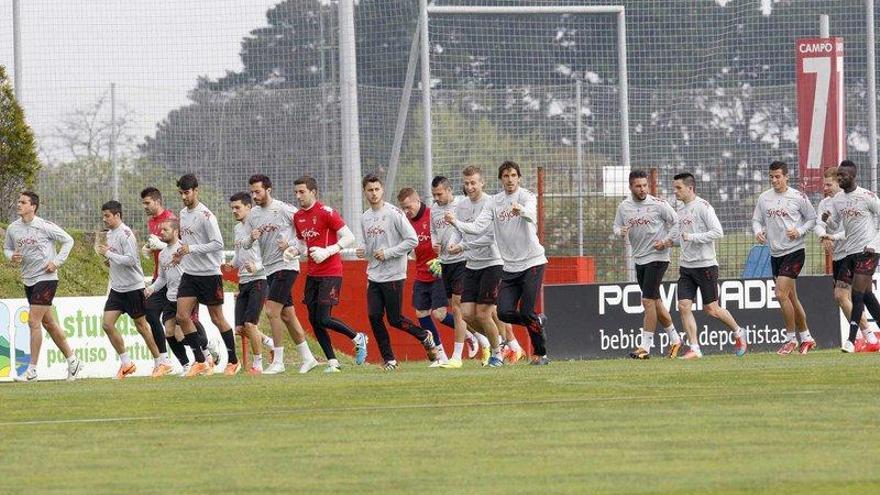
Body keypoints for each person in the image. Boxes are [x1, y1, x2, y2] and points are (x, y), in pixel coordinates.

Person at [445, 161, 550, 365]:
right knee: (503, 312)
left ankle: (540, 354)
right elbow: (477, 227)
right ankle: (536, 321)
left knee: (527, 310)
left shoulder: (525, 196)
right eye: (505, 176)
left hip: (532, 262)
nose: (509, 179)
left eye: (513, 175)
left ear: (518, 177)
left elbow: (532, 217)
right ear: (500, 179)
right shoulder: (494, 202)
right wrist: (456, 223)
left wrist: (521, 211)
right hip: (510, 266)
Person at [357, 174, 439, 370]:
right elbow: (370, 247)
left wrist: (388, 253)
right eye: (370, 190)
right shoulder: (365, 217)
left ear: (382, 190)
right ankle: (390, 360)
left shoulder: (394, 213)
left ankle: (424, 335)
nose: (374, 193)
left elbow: (412, 240)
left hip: (394, 274)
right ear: (365, 192)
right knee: (374, 316)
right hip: (374, 275)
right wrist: (364, 251)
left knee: (394, 319)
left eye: (377, 189)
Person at [288, 175, 368, 372]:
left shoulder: (326, 212)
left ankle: (358, 337)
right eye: (296, 192)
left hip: (331, 272)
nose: (298, 196)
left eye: (302, 192)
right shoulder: (298, 217)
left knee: (324, 318)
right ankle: (333, 362)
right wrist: (292, 250)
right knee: (314, 320)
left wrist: (328, 251)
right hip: (312, 274)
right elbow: (301, 243)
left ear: (313, 192)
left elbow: (349, 237)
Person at [3, 191, 82, 382]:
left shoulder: (44, 226)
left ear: (33, 206)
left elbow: (68, 240)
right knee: (49, 323)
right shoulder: (13, 228)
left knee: (33, 321)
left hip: (46, 278)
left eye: (23, 202)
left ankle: (32, 371)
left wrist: (56, 262)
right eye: (18, 201)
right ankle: (73, 360)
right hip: (28, 279)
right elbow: (7, 248)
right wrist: (11, 256)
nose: (18, 204)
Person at [244, 174, 319, 374]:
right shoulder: (253, 215)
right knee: (287, 314)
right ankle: (308, 358)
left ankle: (278, 361)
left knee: (271, 311)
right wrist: (251, 239)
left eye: (257, 191)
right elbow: (245, 243)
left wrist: (291, 246)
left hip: (286, 266)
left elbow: (304, 238)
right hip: (269, 268)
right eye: (252, 192)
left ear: (268, 190)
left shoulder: (285, 210)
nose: (254, 195)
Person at [672, 173, 747, 359]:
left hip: (706, 265)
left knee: (712, 309)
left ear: (690, 188)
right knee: (683, 306)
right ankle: (695, 348)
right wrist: (665, 242)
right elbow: (679, 237)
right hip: (686, 267)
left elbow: (718, 232)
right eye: (674, 188)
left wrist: (693, 238)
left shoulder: (703, 207)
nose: (675, 192)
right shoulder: (680, 210)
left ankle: (738, 332)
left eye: (678, 188)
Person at [140, 187, 213, 369]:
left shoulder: (172, 218)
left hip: (183, 286)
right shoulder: (152, 224)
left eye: (147, 203)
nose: (145, 206)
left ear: (157, 201)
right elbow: (162, 253)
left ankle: (205, 352)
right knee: (157, 318)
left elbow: (183, 242)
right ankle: (171, 362)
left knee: (183, 327)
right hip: (162, 279)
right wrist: (149, 248)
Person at [174, 174, 239, 376]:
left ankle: (233, 361)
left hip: (209, 274)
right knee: (182, 316)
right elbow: (186, 242)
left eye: (187, 192)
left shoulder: (206, 216)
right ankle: (201, 361)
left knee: (217, 318)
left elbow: (218, 244)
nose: (184, 197)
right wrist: (180, 253)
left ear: (196, 191)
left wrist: (191, 249)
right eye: (181, 193)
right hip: (190, 274)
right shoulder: (182, 214)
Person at [612, 169, 682, 359]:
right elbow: (616, 227)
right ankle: (675, 339)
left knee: (647, 301)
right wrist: (621, 231)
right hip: (640, 258)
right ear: (631, 187)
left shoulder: (659, 204)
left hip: (658, 257)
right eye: (638, 186)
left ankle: (645, 347)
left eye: (645, 185)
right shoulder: (624, 207)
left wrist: (666, 241)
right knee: (656, 302)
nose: (642, 189)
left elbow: (677, 223)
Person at [751, 161, 817, 354]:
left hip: (794, 251)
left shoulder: (798, 197)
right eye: (771, 177)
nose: (774, 180)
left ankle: (790, 339)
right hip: (775, 253)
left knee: (780, 294)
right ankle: (806, 337)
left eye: (778, 176)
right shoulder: (764, 198)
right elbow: (756, 220)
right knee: (791, 298)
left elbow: (812, 219)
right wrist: (758, 231)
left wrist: (800, 231)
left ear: (786, 176)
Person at [445, 166, 508, 367]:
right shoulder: (461, 206)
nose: (470, 186)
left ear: (482, 183)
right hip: (471, 265)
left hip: (492, 263)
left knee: (483, 313)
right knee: (466, 314)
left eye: (473, 182)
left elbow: (487, 237)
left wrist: (462, 245)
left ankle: (497, 353)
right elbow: (458, 230)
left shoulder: (490, 204)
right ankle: (499, 342)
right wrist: (452, 244)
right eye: (466, 183)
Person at [96, 200, 165, 378]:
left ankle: (160, 362)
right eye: (103, 216)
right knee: (107, 324)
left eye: (107, 216)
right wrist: (109, 260)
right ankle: (126, 363)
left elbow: (132, 260)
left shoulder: (126, 234)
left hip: (133, 288)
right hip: (117, 289)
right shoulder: (110, 234)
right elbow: (117, 259)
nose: (104, 219)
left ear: (117, 215)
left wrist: (109, 254)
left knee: (142, 326)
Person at [816, 160, 880, 353]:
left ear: (853, 177)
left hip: (869, 251)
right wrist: (826, 220)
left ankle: (852, 340)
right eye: (838, 176)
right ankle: (866, 336)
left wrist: (874, 244)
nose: (839, 179)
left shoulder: (866, 196)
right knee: (867, 295)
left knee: (856, 294)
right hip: (850, 252)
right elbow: (836, 222)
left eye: (842, 176)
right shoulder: (837, 200)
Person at [429, 176, 483, 362]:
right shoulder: (434, 210)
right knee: (451, 310)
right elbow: (433, 232)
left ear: (449, 190)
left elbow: (468, 229)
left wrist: (459, 245)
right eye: (434, 194)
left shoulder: (461, 205)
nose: (436, 198)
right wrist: (435, 244)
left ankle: (457, 356)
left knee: (458, 308)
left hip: (462, 260)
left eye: (439, 194)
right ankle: (484, 338)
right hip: (444, 263)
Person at [398, 187, 451, 367]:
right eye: (403, 208)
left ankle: (471, 333)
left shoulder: (432, 215)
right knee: (421, 313)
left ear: (417, 200)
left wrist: (442, 255)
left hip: (439, 271)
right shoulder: (405, 221)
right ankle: (440, 356)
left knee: (440, 314)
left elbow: (447, 235)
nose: (406, 211)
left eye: (408, 206)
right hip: (421, 272)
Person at [225, 192, 270, 375]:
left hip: (259, 280)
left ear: (248, 207)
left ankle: (258, 364)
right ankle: (270, 343)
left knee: (250, 325)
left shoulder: (259, 227)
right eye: (232, 208)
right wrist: (232, 263)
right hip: (243, 281)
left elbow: (269, 254)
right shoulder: (238, 229)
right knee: (240, 328)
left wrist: (257, 267)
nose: (234, 211)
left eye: (238, 207)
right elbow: (239, 252)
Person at [144, 219, 194, 376]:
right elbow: (162, 278)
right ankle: (186, 365)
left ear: (175, 232)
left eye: (165, 230)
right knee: (170, 333)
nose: (161, 233)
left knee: (183, 333)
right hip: (169, 297)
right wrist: (151, 288)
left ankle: (206, 352)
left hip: (185, 296)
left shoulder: (184, 249)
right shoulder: (163, 254)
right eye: (161, 230)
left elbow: (192, 271)